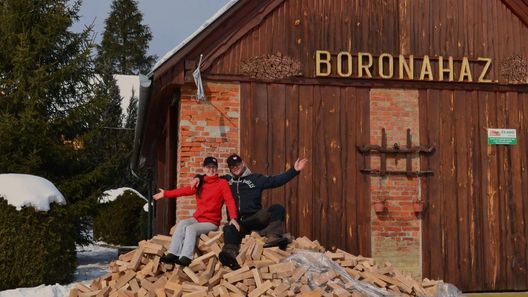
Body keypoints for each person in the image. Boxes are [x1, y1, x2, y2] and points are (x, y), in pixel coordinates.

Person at [191, 154, 308, 269]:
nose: (235, 168)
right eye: (232, 166)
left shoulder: (256, 179)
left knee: (277, 208)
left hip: (255, 218)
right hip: (238, 223)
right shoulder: (226, 180)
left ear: (243, 164)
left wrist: (294, 170)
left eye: (237, 165)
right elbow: (209, 177)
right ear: (229, 168)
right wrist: (197, 177)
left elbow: (276, 180)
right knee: (228, 228)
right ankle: (230, 254)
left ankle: (273, 237)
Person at [153, 156, 239, 266]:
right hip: (197, 218)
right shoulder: (200, 183)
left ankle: (186, 257)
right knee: (182, 223)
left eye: (213, 167)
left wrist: (233, 218)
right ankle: (173, 253)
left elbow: (230, 201)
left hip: (211, 222)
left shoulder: (222, 183)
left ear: (216, 169)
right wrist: (165, 194)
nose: (211, 170)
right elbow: (183, 191)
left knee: (191, 229)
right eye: (208, 167)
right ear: (204, 169)